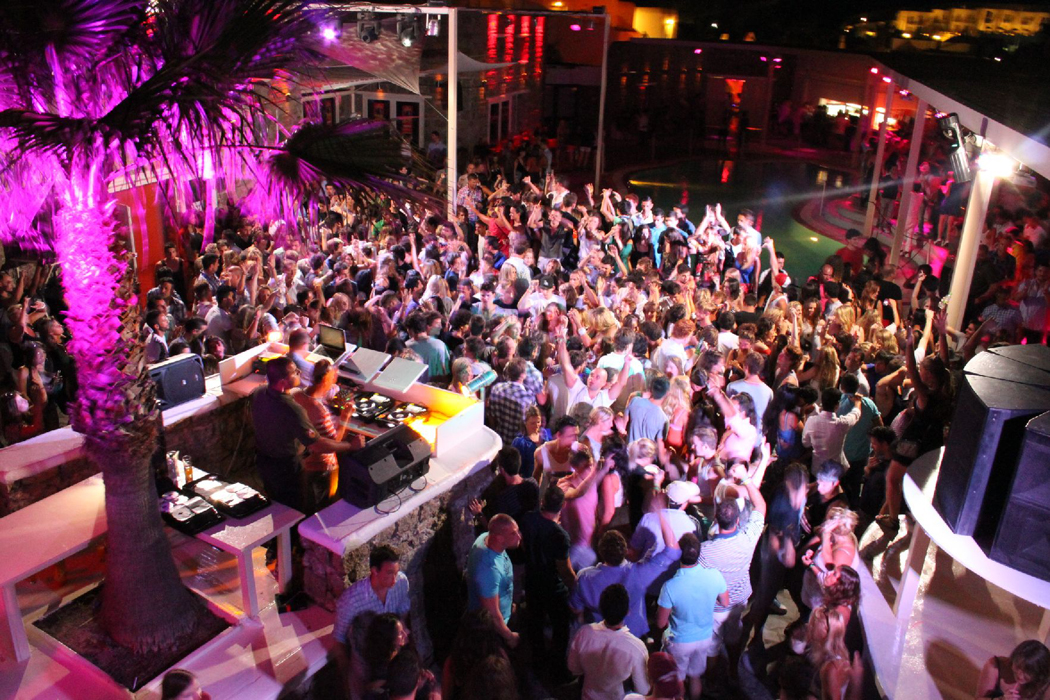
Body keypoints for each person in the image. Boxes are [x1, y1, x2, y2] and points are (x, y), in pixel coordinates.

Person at [250, 356, 351, 512]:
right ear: (283, 381)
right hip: (287, 467)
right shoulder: (291, 408)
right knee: (296, 508)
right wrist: (350, 444)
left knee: (277, 505)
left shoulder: (259, 392)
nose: (299, 372)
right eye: (295, 372)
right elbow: (318, 445)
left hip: (264, 461)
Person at [655, 531, 729, 700]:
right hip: (704, 638)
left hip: (680, 641)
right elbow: (725, 601)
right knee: (696, 677)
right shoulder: (714, 575)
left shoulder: (670, 586)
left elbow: (660, 623)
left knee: (679, 679)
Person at [519, 485, 575, 680]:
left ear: (543, 501)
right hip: (553, 588)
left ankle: (538, 662)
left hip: (532, 581)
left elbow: (523, 545)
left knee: (535, 623)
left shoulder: (527, 519)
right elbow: (564, 569)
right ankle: (558, 672)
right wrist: (575, 585)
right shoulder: (559, 535)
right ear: (562, 506)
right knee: (561, 629)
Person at [568, 583, 651, 700]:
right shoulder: (636, 647)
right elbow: (643, 689)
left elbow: (574, 668)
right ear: (627, 611)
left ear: (601, 608)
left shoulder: (583, 633)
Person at [466, 513, 522, 647]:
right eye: (513, 534)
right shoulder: (488, 570)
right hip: (493, 630)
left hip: (505, 613)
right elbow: (493, 615)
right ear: (499, 538)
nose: (519, 536)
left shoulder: (486, 537)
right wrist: (510, 637)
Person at [802, 388, 862, 475]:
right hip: (838, 470)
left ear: (822, 402)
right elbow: (855, 414)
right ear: (837, 405)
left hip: (818, 469)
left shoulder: (811, 421)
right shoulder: (842, 423)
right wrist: (858, 402)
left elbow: (806, 443)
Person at [977, 640, 1050, 700]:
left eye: (1028, 672)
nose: (1020, 676)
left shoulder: (1045, 684)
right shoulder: (995, 666)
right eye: (1018, 666)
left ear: (1039, 674)